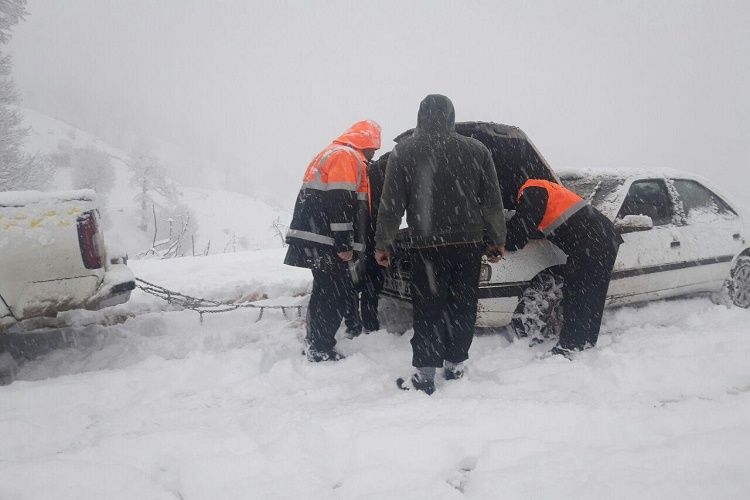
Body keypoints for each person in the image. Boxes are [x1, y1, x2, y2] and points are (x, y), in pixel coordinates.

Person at [374, 94, 506, 395]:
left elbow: (391, 204)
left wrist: (384, 242)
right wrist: (497, 238)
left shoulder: (404, 152)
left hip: (428, 246)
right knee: (463, 306)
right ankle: (456, 365)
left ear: (420, 116)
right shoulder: (476, 150)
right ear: (451, 116)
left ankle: (425, 376)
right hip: (468, 244)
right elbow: (492, 201)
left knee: (429, 309)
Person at [284, 120, 381, 362]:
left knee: (323, 291)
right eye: (374, 149)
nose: (373, 155)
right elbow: (340, 201)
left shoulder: (332, 153)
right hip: (326, 240)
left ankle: (315, 341)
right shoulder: (345, 157)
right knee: (333, 294)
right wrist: (344, 244)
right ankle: (321, 348)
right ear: (367, 144)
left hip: (316, 237)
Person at [505, 179, 623, 357]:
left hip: (591, 242)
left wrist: (496, 242)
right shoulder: (543, 187)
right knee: (593, 293)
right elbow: (534, 222)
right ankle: (587, 341)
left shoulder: (531, 192)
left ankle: (569, 346)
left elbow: (520, 232)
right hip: (604, 238)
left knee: (578, 292)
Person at [343, 153, 389, 337]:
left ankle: (353, 325)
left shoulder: (363, 171)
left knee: (353, 282)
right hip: (373, 235)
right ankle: (369, 324)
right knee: (371, 283)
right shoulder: (384, 172)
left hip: (358, 235)